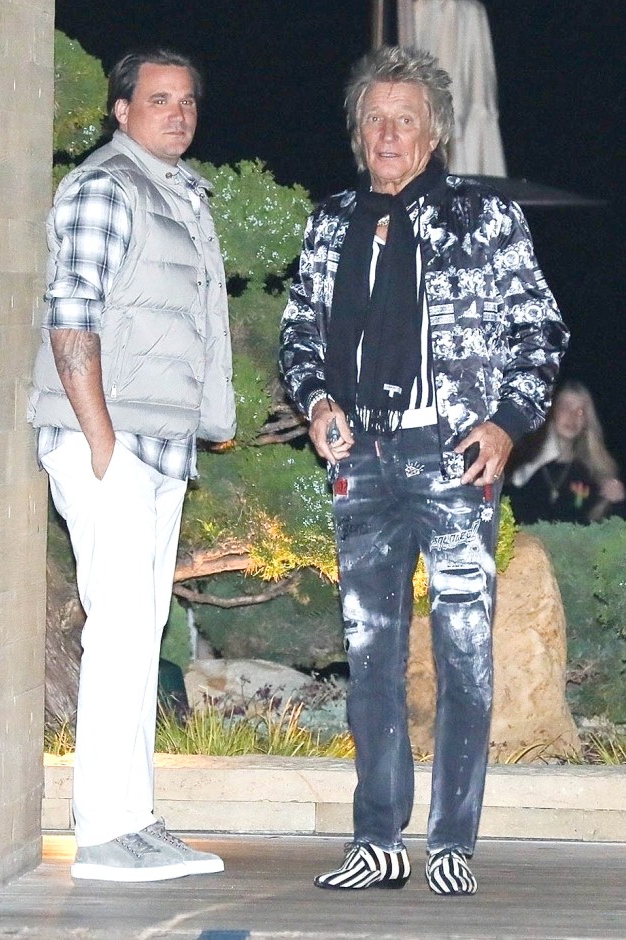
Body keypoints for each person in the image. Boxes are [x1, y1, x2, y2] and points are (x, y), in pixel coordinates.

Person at [279, 45, 568, 895]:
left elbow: (540, 329)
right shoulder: (331, 222)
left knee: (464, 650)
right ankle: (377, 840)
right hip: (359, 457)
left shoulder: (483, 218)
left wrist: (507, 424)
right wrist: (317, 403)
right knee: (370, 653)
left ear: (434, 132)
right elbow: (300, 333)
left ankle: (451, 843)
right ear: (357, 132)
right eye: (375, 119)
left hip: (453, 455)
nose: (388, 134)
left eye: (405, 120)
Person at [28, 48, 235, 882]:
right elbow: (71, 313)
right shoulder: (106, 188)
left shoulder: (178, 193)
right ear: (121, 110)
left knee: (139, 632)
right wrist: (102, 442)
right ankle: (106, 835)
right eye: (158, 100)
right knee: (117, 630)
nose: (178, 114)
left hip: (158, 447)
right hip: (109, 444)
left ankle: (134, 819)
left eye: (187, 101)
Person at [506, 381, 625, 524]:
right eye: (565, 407)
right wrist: (539, 460)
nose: (572, 416)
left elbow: (603, 524)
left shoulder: (591, 473)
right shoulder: (523, 456)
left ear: (586, 422)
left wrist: (617, 500)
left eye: (580, 411)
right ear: (552, 411)